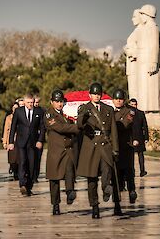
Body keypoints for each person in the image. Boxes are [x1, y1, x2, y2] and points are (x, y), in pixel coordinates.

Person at [77, 83, 119, 218]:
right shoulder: (85, 108)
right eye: (94, 94)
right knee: (92, 178)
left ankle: (106, 188)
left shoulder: (108, 109)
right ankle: (95, 206)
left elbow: (113, 129)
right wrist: (83, 114)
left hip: (105, 145)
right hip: (91, 145)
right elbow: (79, 125)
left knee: (107, 170)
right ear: (90, 95)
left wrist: (116, 149)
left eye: (98, 94)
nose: (96, 96)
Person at [45, 90, 79, 215]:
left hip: (68, 150)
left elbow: (69, 125)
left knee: (70, 171)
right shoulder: (49, 115)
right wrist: (77, 127)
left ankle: (70, 192)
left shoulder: (67, 114)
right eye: (57, 101)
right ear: (52, 102)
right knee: (54, 179)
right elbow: (60, 128)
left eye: (61, 101)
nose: (59, 104)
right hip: (56, 151)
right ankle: (55, 204)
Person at [8, 93, 45, 196]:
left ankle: (29, 186)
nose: (30, 104)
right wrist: (10, 142)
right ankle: (22, 184)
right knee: (23, 163)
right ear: (24, 102)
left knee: (32, 165)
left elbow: (42, 127)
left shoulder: (39, 111)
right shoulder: (18, 112)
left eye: (32, 102)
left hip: (33, 143)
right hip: (21, 142)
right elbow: (13, 127)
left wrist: (40, 140)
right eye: (28, 102)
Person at [113, 89, 138, 207]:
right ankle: (116, 194)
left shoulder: (130, 111)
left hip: (126, 146)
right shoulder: (110, 112)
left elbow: (125, 124)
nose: (118, 101)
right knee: (116, 172)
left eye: (120, 99)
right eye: (116, 99)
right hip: (115, 147)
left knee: (129, 171)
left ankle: (132, 190)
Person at [137, 4, 160, 111]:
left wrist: (153, 61)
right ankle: (145, 110)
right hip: (144, 61)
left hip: (149, 62)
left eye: (142, 14)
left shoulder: (152, 27)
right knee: (144, 89)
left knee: (150, 89)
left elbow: (154, 45)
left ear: (147, 15)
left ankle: (151, 111)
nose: (141, 16)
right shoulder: (146, 28)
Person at [129, 98, 149, 177]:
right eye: (132, 104)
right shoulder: (128, 114)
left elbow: (145, 125)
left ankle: (142, 170)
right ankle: (132, 171)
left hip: (140, 136)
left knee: (141, 155)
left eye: (135, 104)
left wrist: (146, 137)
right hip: (130, 136)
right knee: (131, 156)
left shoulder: (141, 113)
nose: (134, 106)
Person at [3, 102, 19, 180]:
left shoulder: (21, 116)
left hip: (19, 140)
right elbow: (6, 130)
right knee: (12, 158)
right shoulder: (8, 118)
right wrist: (5, 142)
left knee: (19, 158)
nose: (15, 109)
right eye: (14, 108)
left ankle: (18, 173)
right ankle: (13, 168)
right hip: (11, 140)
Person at [33, 95, 45, 183]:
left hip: (39, 138)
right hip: (30, 138)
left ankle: (35, 176)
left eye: (37, 102)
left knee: (37, 158)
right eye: (34, 102)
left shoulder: (42, 111)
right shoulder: (28, 110)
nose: (36, 104)